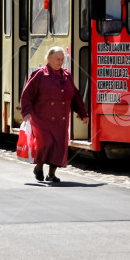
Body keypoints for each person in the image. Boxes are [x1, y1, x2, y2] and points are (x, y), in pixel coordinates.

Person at [21, 46, 89, 183]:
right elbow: (27, 95)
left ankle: (51, 174)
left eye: (62, 59)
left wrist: (83, 113)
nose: (60, 62)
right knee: (45, 142)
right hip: (42, 117)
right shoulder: (39, 74)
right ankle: (38, 168)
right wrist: (26, 112)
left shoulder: (66, 75)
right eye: (58, 59)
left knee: (59, 146)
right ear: (49, 58)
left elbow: (75, 96)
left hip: (60, 118)